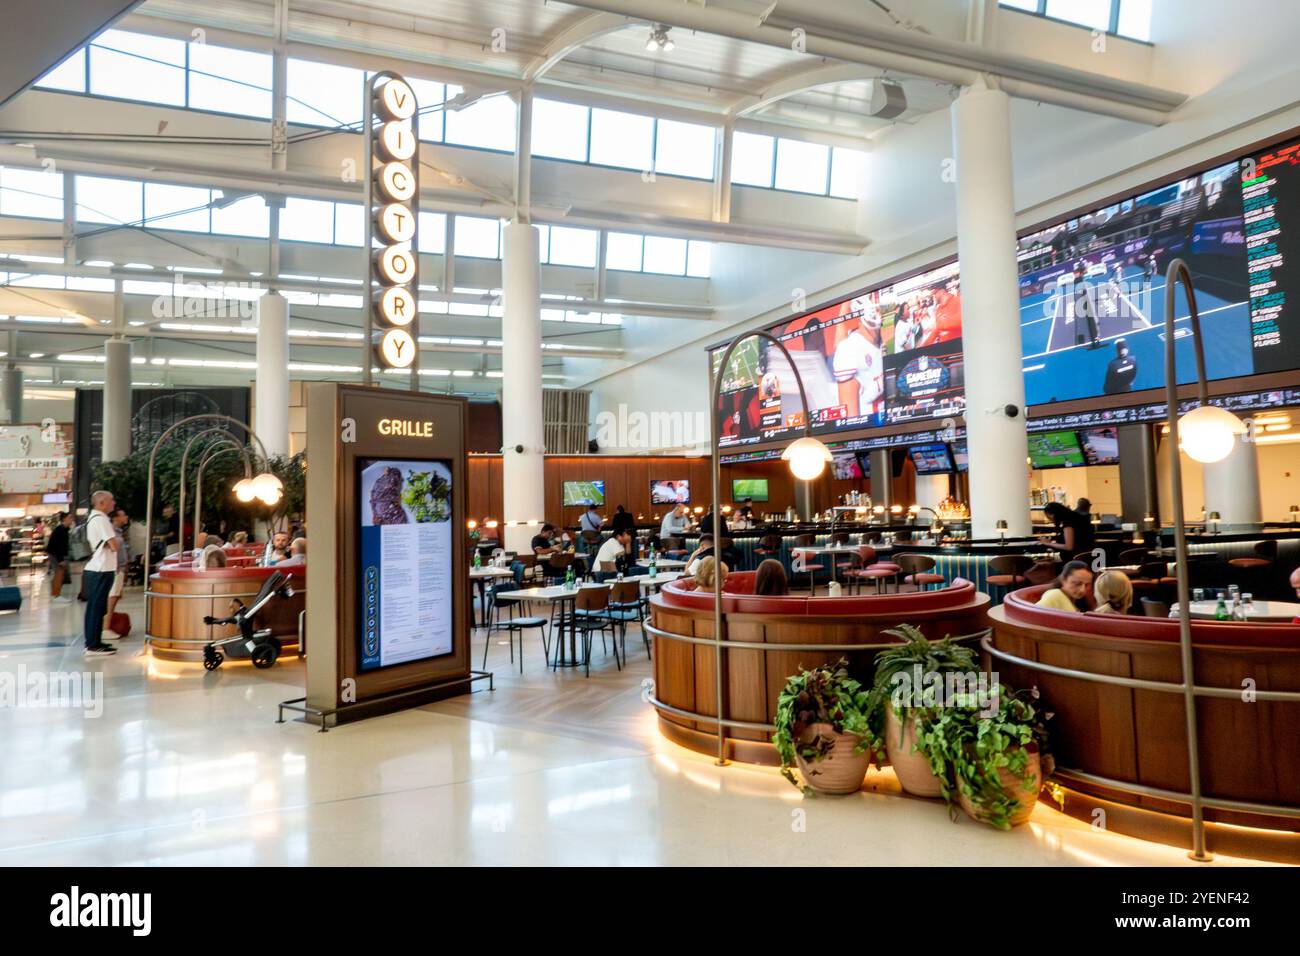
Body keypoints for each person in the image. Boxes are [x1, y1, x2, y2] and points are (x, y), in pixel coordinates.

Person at [82, 490, 120, 656]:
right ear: (101, 503)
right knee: (96, 608)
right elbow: (114, 545)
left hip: (99, 568)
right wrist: (114, 542)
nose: (114, 503)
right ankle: (92, 644)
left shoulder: (94, 518)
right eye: (111, 500)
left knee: (97, 607)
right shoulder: (101, 519)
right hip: (100, 569)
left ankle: (96, 641)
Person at [832, 297, 884, 419]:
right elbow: (850, 419)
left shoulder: (882, 342)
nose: (875, 305)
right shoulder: (849, 349)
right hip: (872, 429)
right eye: (870, 298)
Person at [104, 508, 130, 638]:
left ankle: (107, 625)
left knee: (115, 596)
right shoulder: (111, 532)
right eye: (123, 515)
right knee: (112, 597)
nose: (126, 517)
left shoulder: (119, 532)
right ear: (115, 518)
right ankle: (106, 628)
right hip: (115, 569)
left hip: (120, 568)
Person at [47, 511, 73, 604]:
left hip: (56, 555)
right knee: (58, 574)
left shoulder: (64, 529)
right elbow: (57, 546)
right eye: (70, 518)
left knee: (59, 574)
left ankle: (56, 594)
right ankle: (56, 595)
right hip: (55, 555)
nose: (72, 519)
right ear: (64, 519)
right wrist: (60, 559)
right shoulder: (61, 530)